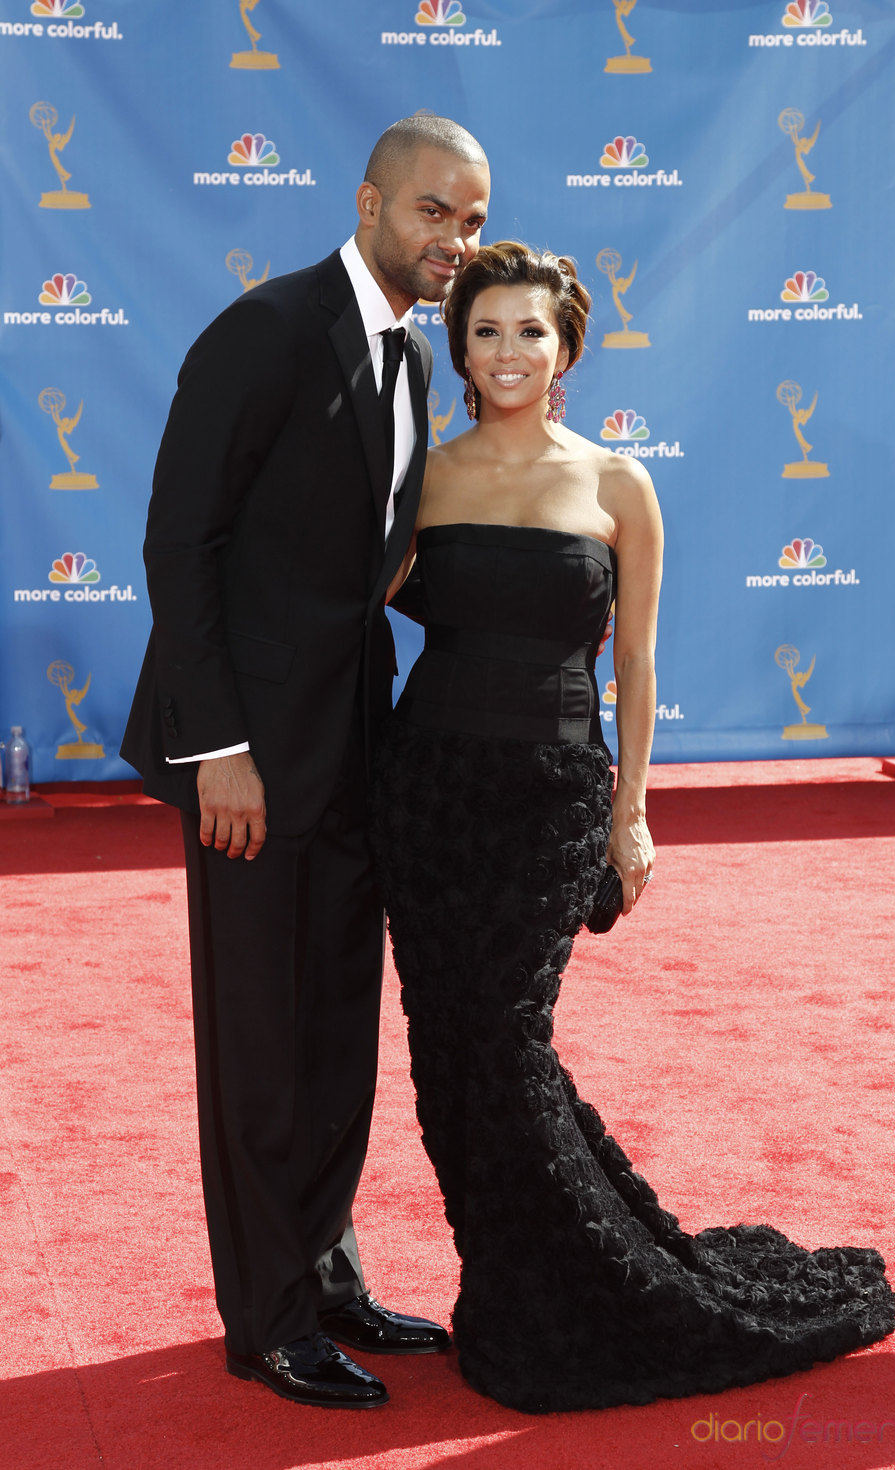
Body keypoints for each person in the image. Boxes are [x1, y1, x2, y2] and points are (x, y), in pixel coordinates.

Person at [369, 242, 895, 1414]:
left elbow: (640, 664)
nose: (508, 352)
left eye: (530, 333)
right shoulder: (423, 478)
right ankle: (505, 1286)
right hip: (429, 792)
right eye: (487, 331)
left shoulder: (617, 483)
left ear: (566, 350)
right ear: (456, 347)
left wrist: (632, 814)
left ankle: (592, 1291)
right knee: (446, 1054)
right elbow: (358, 601)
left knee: (504, 1043)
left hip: (552, 794)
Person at [121, 116, 492, 1410]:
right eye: (437, 211)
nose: (459, 239)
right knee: (265, 1039)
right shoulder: (270, 330)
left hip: (352, 751)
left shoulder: (413, 363)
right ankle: (267, 1314)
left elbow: (358, 568)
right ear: (373, 203)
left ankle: (325, 1269)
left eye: (476, 219)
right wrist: (216, 745)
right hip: (253, 766)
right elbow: (181, 544)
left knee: (337, 1025)